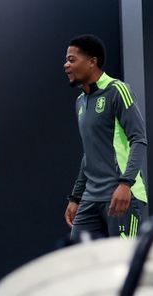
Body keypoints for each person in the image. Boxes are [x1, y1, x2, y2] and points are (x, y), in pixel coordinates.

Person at [62, 34, 147, 239]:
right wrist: (75, 197)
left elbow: (139, 139)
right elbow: (89, 154)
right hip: (91, 197)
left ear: (92, 62)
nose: (66, 65)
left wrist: (125, 184)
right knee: (81, 256)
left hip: (121, 193)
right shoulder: (81, 102)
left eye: (72, 60)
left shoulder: (117, 90)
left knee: (122, 260)